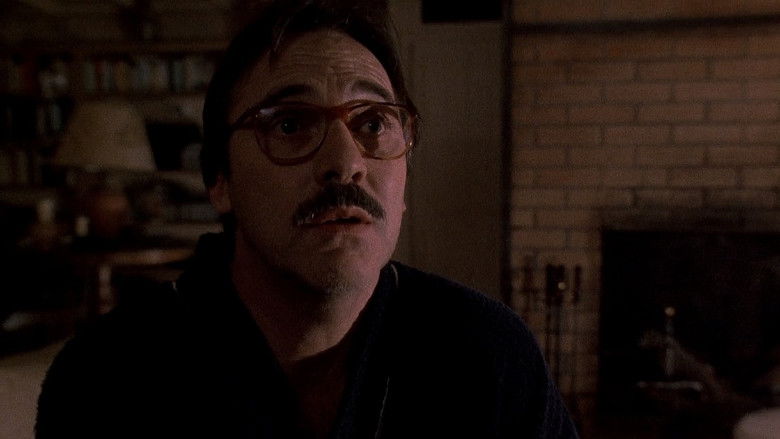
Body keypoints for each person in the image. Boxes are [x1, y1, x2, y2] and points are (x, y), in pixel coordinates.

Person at [36, 1, 578, 437]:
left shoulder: (487, 352)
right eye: (290, 124)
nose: (345, 162)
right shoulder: (107, 378)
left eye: (373, 124)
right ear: (219, 180)